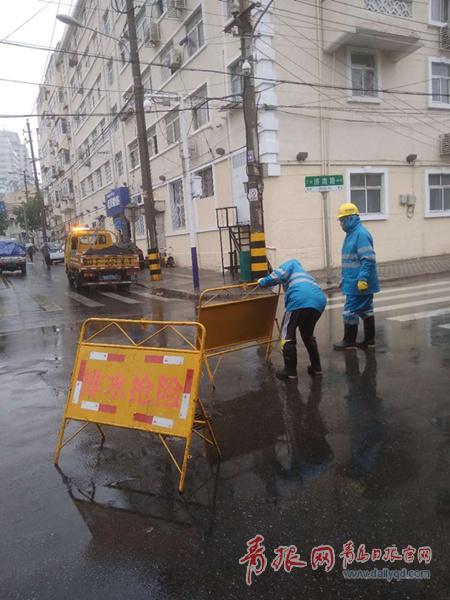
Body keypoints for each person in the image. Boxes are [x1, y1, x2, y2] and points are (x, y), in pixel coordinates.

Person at [258, 259, 327, 382]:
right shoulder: (303, 273)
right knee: (308, 334)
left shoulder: (290, 264)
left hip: (299, 300)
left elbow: (275, 276)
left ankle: (290, 372)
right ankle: (316, 367)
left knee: (287, 334)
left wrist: (262, 282)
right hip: (319, 301)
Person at [333, 203, 380, 350]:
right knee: (366, 310)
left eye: (342, 220)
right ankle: (369, 341)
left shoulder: (360, 234)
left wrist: (362, 279)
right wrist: (344, 279)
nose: (340, 223)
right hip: (353, 281)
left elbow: (368, 258)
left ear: (350, 218)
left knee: (350, 311)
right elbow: (351, 260)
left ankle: (349, 341)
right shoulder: (352, 234)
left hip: (358, 284)